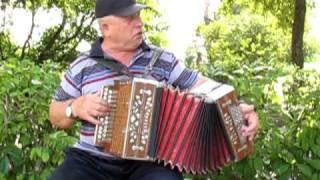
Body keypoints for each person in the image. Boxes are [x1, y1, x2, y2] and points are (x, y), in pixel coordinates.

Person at [48, 0, 260, 179]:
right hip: (92, 161)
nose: (139, 24)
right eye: (130, 19)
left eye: (138, 16)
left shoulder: (162, 60)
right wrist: (74, 107)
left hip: (150, 162)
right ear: (106, 28)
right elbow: (55, 115)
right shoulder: (82, 66)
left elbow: (203, 85)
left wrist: (236, 107)